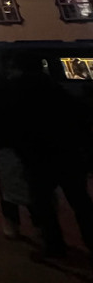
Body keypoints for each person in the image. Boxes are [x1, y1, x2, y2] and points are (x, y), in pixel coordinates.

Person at [7, 52, 93, 265]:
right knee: (81, 202)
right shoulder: (57, 87)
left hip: (38, 157)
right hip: (69, 154)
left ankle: (55, 246)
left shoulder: (16, 91)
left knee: (44, 204)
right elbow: (81, 119)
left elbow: (12, 125)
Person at [0, 57, 32, 240]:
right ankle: (43, 226)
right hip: (31, 142)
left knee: (7, 182)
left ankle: (12, 222)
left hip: (3, 143)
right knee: (33, 182)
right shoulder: (36, 87)